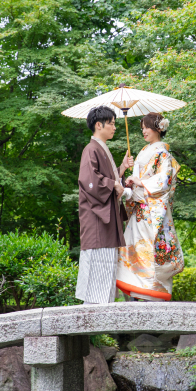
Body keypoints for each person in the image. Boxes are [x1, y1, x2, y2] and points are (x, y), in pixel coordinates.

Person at [116, 112, 185, 301]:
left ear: (158, 128)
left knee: (150, 250)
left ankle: (151, 292)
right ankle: (137, 293)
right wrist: (129, 179)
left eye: (146, 127)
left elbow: (164, 181)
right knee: (133, 248)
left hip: (151, 210)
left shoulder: (163, 153)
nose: (143, 131)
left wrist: (138, 181)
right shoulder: (144, 151)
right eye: (142, 128)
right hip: (140, 210)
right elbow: (138, 180)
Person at [75, 105, 134, 304]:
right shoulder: (91, 149)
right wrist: (114, 184)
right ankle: (92, 314)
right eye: (111, 123)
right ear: (99, 125)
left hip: (106, 219)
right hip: (97, 221)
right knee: (97, 268)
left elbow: (108, 179)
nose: (114, 127)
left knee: (105, 268)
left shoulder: (100, 148)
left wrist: (122, 168)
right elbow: (89, 180)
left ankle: (98, 313)